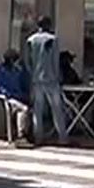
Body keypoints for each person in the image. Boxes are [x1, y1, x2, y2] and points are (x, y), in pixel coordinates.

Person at [24, 16, 68, 146]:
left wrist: (32, 73)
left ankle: (39, 137)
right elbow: (55, 60)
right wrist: (58, 75)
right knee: (57, 109)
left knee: (38, 109)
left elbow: (27, 61)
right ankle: (62, 137)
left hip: (37, 79)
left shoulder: (30, 40)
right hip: (51, 79)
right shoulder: (53, 40)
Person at [0, 48, 30, 139]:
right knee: (24, 109)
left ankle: (28, 132)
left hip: (19, 97)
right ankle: (21, 135)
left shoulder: (17, 71)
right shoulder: (0, 72)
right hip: (8, 99)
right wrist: (16, 96)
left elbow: (24, 84)